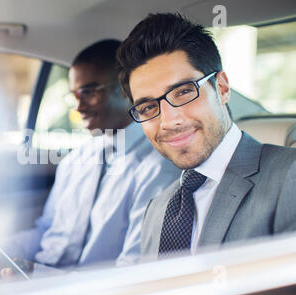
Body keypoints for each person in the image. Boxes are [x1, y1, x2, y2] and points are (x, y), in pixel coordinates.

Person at [116, 13, 296, 260]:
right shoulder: (156, 210)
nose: (169, 121)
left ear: (221, 88)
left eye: (183, 92)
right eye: (148, 108)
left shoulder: (289, 176)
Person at [0, 39, 180, 277]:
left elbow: (132, 271)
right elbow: (46, 230)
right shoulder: (76, 161)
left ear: (127, 90)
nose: (79, 107)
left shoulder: (159, 167)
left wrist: (36, 276)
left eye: (89, 93)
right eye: (75, 95)